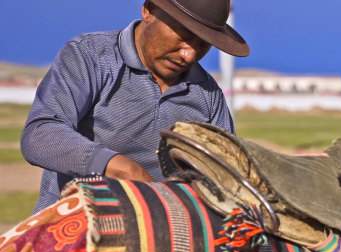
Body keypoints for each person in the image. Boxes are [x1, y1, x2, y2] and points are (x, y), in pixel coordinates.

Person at [21, 0, 249, 213]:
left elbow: (225, 172)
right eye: (184, 35)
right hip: (76, 222)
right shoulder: (89, 56)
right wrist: (124, 170)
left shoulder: (208, 94)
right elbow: (40, 134)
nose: (189, 55)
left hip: (162, 229)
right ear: (149, 10)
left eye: (203, 44)